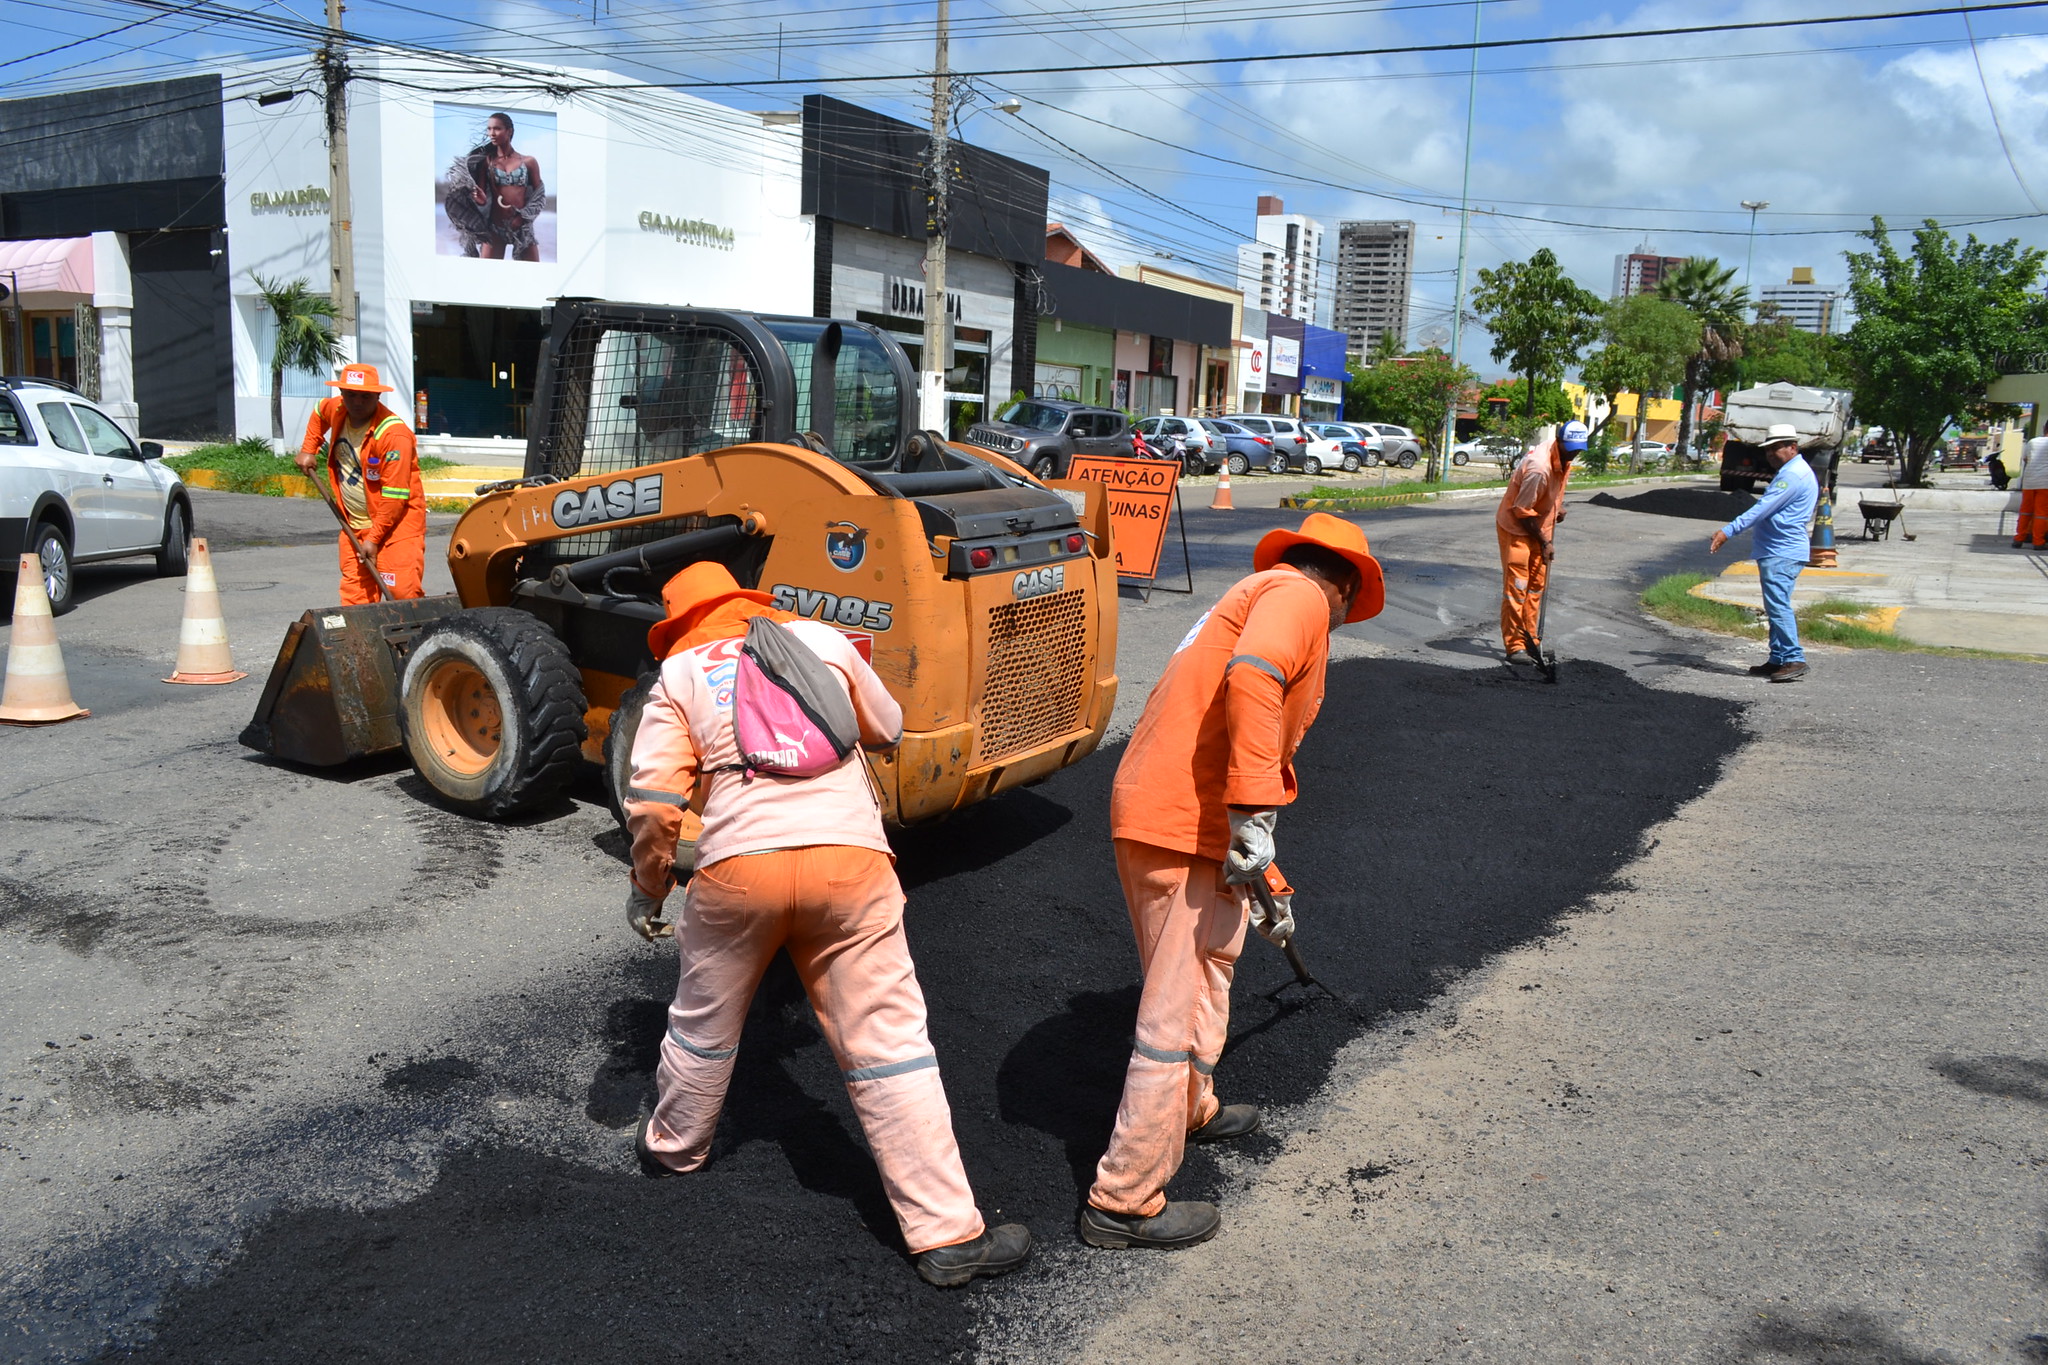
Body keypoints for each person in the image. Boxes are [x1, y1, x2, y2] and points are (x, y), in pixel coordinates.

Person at [621, 561, 1030, 1289]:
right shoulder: (818, 640)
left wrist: (648, 888)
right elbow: (890, 726)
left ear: (677, 624)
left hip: (736, 875)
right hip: (852, 866)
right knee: (889, 1042)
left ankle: (674, 1147)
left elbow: (653, 802)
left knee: (702, 1022)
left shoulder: (677, 676)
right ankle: (946, 1234)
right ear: (749, 605)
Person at [1081, 512, 1385, 1251]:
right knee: (1171, 1014)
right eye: (1350, 608)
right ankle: (1123, 1199)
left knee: (1215, 963)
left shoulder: (1255, 591)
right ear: (1344, 584)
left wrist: (1264, 872)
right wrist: (1255, 811)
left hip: (1185, 815)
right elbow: (1255, 676)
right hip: (1177, 821)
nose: (1339, 624)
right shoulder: (1300, 595)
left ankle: (1192, 1105)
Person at [295, 364, 425, 604]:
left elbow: (395, 497)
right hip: (353, 526)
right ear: (342, 395)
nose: (357, 402)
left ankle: (410, 642)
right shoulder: (337, 409)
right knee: (356, 600)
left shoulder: (394, 436)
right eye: (350, 395)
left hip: (396, 529)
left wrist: (373, 539)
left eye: (365, 396)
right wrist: (308, 449)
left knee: (402, 596)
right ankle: (364, 642)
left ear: (377, 396)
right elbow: (318, 411)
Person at [1711, 423, 1819, 683]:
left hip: (1781, 550)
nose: (1771, 454)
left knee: (1778, 606)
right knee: (1775, 605)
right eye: (1768, 449)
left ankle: (1793, 658)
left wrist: (1728, 531)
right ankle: (1778, 659)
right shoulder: (1795, 471)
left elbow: (1762, 509)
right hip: (1780, 549)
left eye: (1776, 448)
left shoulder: (1791, 476)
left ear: (1792, 447)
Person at [1494, 419, 1586, 664]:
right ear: (1559, 440)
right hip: (1516, 528)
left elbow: (1549, 493)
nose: (1575, 453)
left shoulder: (1564, 457)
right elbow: (1521, 511)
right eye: (1572, 448)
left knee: (1536, 586)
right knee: (1518, 588)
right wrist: (1546, 542)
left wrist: (1556, 508)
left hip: (1539, 526)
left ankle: (1531, 641)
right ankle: (1514, 647)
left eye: (1579, 449)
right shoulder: (1539, 468)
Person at [455, 112, 545, 262]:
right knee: (485, 276)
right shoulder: (486, 162)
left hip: (522, 228)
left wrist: (522, 217)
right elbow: (482, 200)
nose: (492, 133)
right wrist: (480, 199)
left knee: (533, 275)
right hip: (494, 229)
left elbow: (539, 196)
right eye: (489, 129)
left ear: (509, 131)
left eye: (497, 129)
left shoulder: (529, 162)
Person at [2013, 434, 2048, 549]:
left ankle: (2019, 539)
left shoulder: (2032, 442)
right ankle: (2038, 541)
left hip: (2029, 482)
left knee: (2025, 511)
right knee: (2041, 513)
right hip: (2045, 483)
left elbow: (2025, 459)